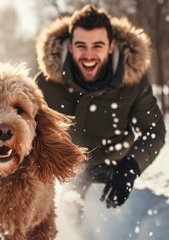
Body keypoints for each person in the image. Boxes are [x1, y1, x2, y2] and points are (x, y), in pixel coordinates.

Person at [35, 4, 166, 213]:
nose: (88, 54)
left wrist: (131, 166)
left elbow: (153, 130)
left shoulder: (133, 81)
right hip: (60, 179)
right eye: (81, 46)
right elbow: (26, 128)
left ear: (111, 46)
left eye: (97, 45)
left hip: (112, 177)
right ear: (69, 46)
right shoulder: (46, 83)